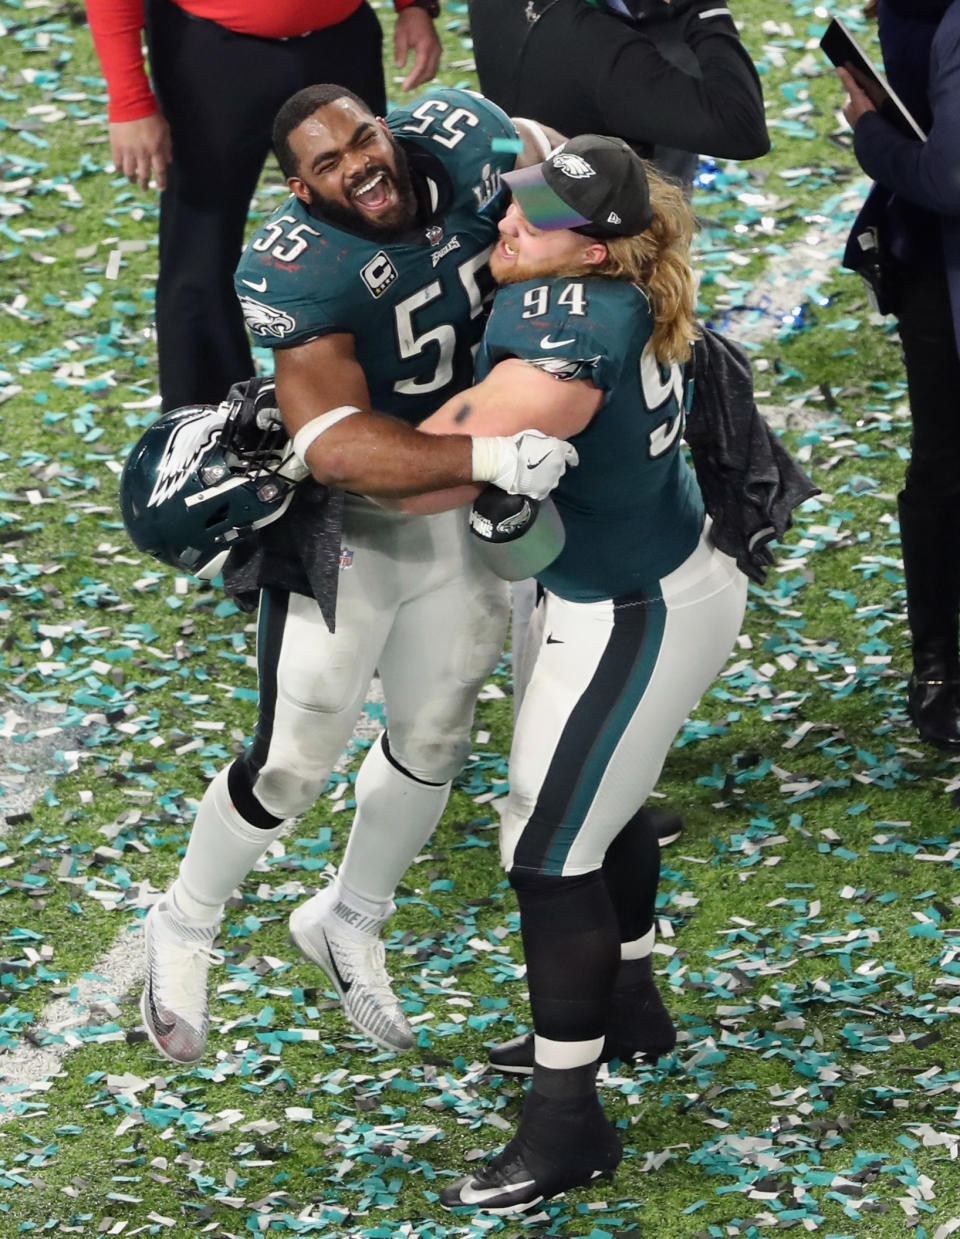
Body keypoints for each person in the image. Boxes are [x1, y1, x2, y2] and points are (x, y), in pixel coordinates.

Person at [136, 81, 574, 1066]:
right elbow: (335, 445)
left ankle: (349, 918)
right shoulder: (300, 265)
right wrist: (491, 459)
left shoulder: (471, 145)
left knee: (435, 735)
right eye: (328, 164)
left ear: (389, 124)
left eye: (363, 140)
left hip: (459, 508)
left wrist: (561, 276)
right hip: (354, 528)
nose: (358, 168)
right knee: (294, 757)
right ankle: (186, 920)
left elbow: (571, 198)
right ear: (301, 186)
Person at [403, 135, 747, 1210]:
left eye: (534, 219)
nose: (505, 224)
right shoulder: (618, 280)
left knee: (548, 856)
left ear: (593, 251)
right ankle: (633, 1005)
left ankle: (567, 1123)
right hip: (648, 585)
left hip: (631, 616)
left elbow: (419, 478)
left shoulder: (562, 340)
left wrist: (311, 437)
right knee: (599, 805)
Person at [85, 0, 442, 413]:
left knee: (376, 229)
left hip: (341, 42)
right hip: (210, 57)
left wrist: (412, 5)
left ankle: (394, 402)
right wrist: (129, 100)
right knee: (199, 255)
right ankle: (207, 432)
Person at [839, 0, 960, 749]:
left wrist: (871, 131)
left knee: (945, 463)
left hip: (937, 257)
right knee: (945, 464)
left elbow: (947, 178)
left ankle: (939, 666)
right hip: (934, 266)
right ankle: (938, 663)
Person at [468, 0, 770, 186]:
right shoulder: (605, 53)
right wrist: (705, 9)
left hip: (529, 189)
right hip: (587, 229)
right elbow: (741, 130)